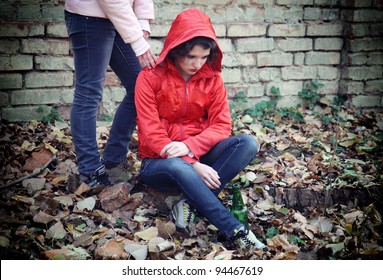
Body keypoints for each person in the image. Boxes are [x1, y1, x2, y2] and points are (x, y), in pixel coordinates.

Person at [134, 8, 267, 250]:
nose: (198, 64)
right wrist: (192, 162)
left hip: (198, 152)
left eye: (204, 57)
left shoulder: (212, 79)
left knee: (247, 143)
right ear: (176, 50)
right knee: (179, 166)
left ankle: (188, 205)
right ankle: (236, 231)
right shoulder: (149, 77)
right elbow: (151, 131)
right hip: (158, 162)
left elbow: (221, 125)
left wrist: (189, 147)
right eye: (191, 57)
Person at [64, 0, 157, 187]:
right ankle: (90, 171)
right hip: (89, 17)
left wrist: (142, 21)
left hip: (121, 18)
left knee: (141, 86)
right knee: (89, 93)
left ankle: (113, 160)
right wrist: (137, 39)